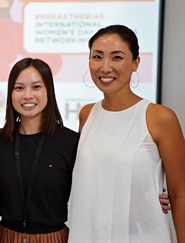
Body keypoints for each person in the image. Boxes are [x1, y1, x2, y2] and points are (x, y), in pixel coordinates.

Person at [68, 24, 185, 242]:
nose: (105, 67)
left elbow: (180, 194)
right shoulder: (86, 114)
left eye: (117, 57)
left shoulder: (159, 118)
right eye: (97, 56)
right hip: (89, 235)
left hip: (143, 236)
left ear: (135, 63)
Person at [0, 57, 79, 242]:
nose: (27, 95)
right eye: (19, 88)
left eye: (36, 87)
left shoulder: (71, 142)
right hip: (6, 237)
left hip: (53, 237)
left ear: (49, 91)